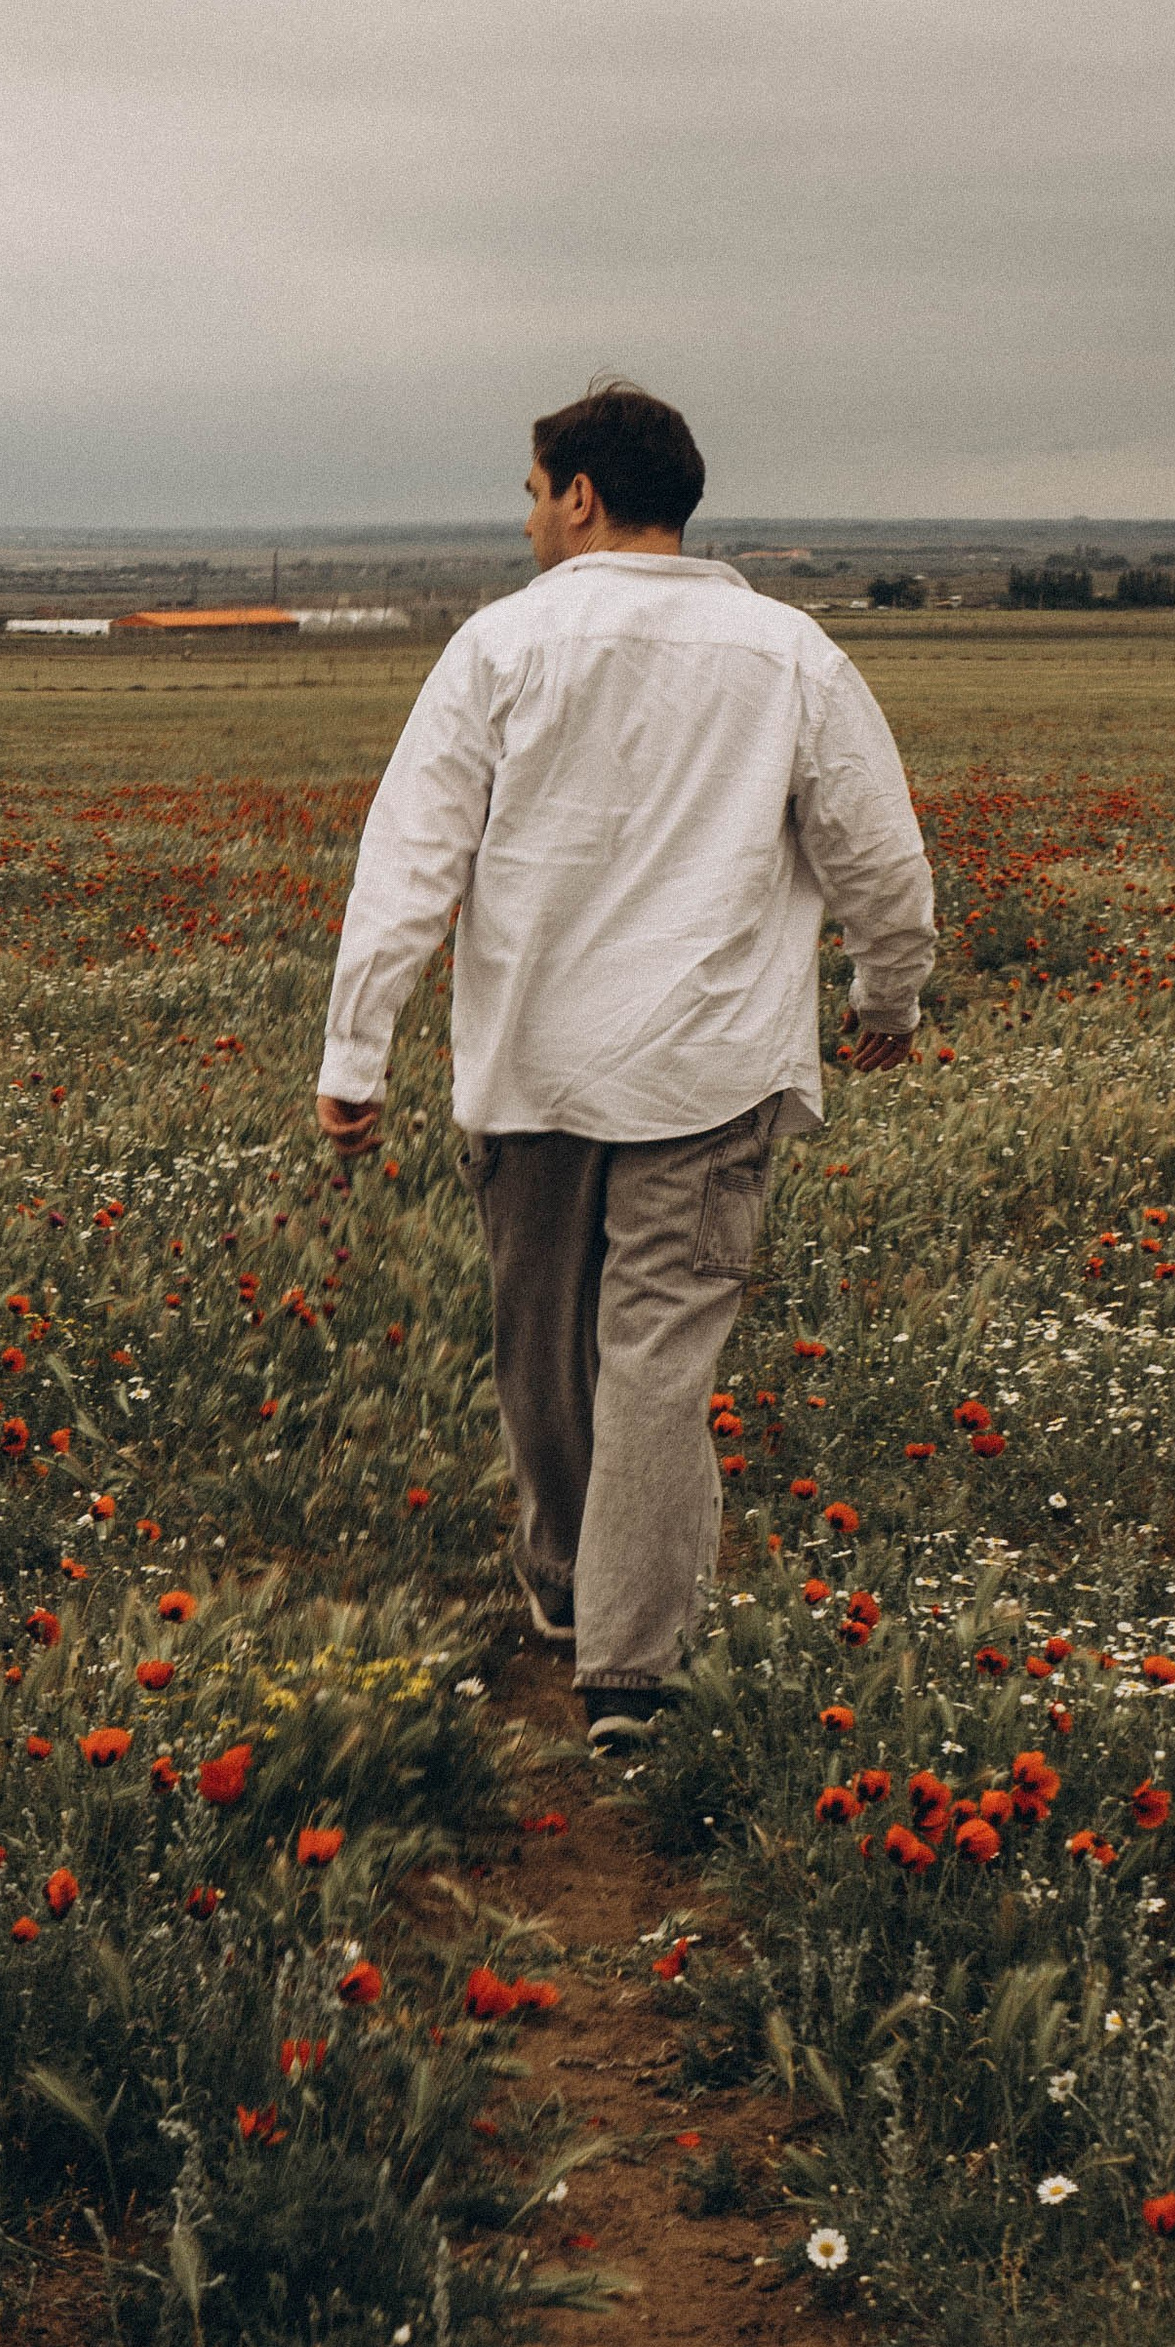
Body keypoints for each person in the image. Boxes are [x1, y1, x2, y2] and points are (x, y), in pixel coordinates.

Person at [316, 377, 935, 1740]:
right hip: (711, 1070)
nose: (528, 521)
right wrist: (887, 998)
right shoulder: (790, 655)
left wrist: (356, 1056)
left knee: (541, 1347)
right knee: (655, 1356)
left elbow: (410, 862)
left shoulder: (497, 648)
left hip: (532, 1066)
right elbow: (880, 857)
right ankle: (630, 1667)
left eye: (533, 496)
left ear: (581, 495)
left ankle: (574, 1600)